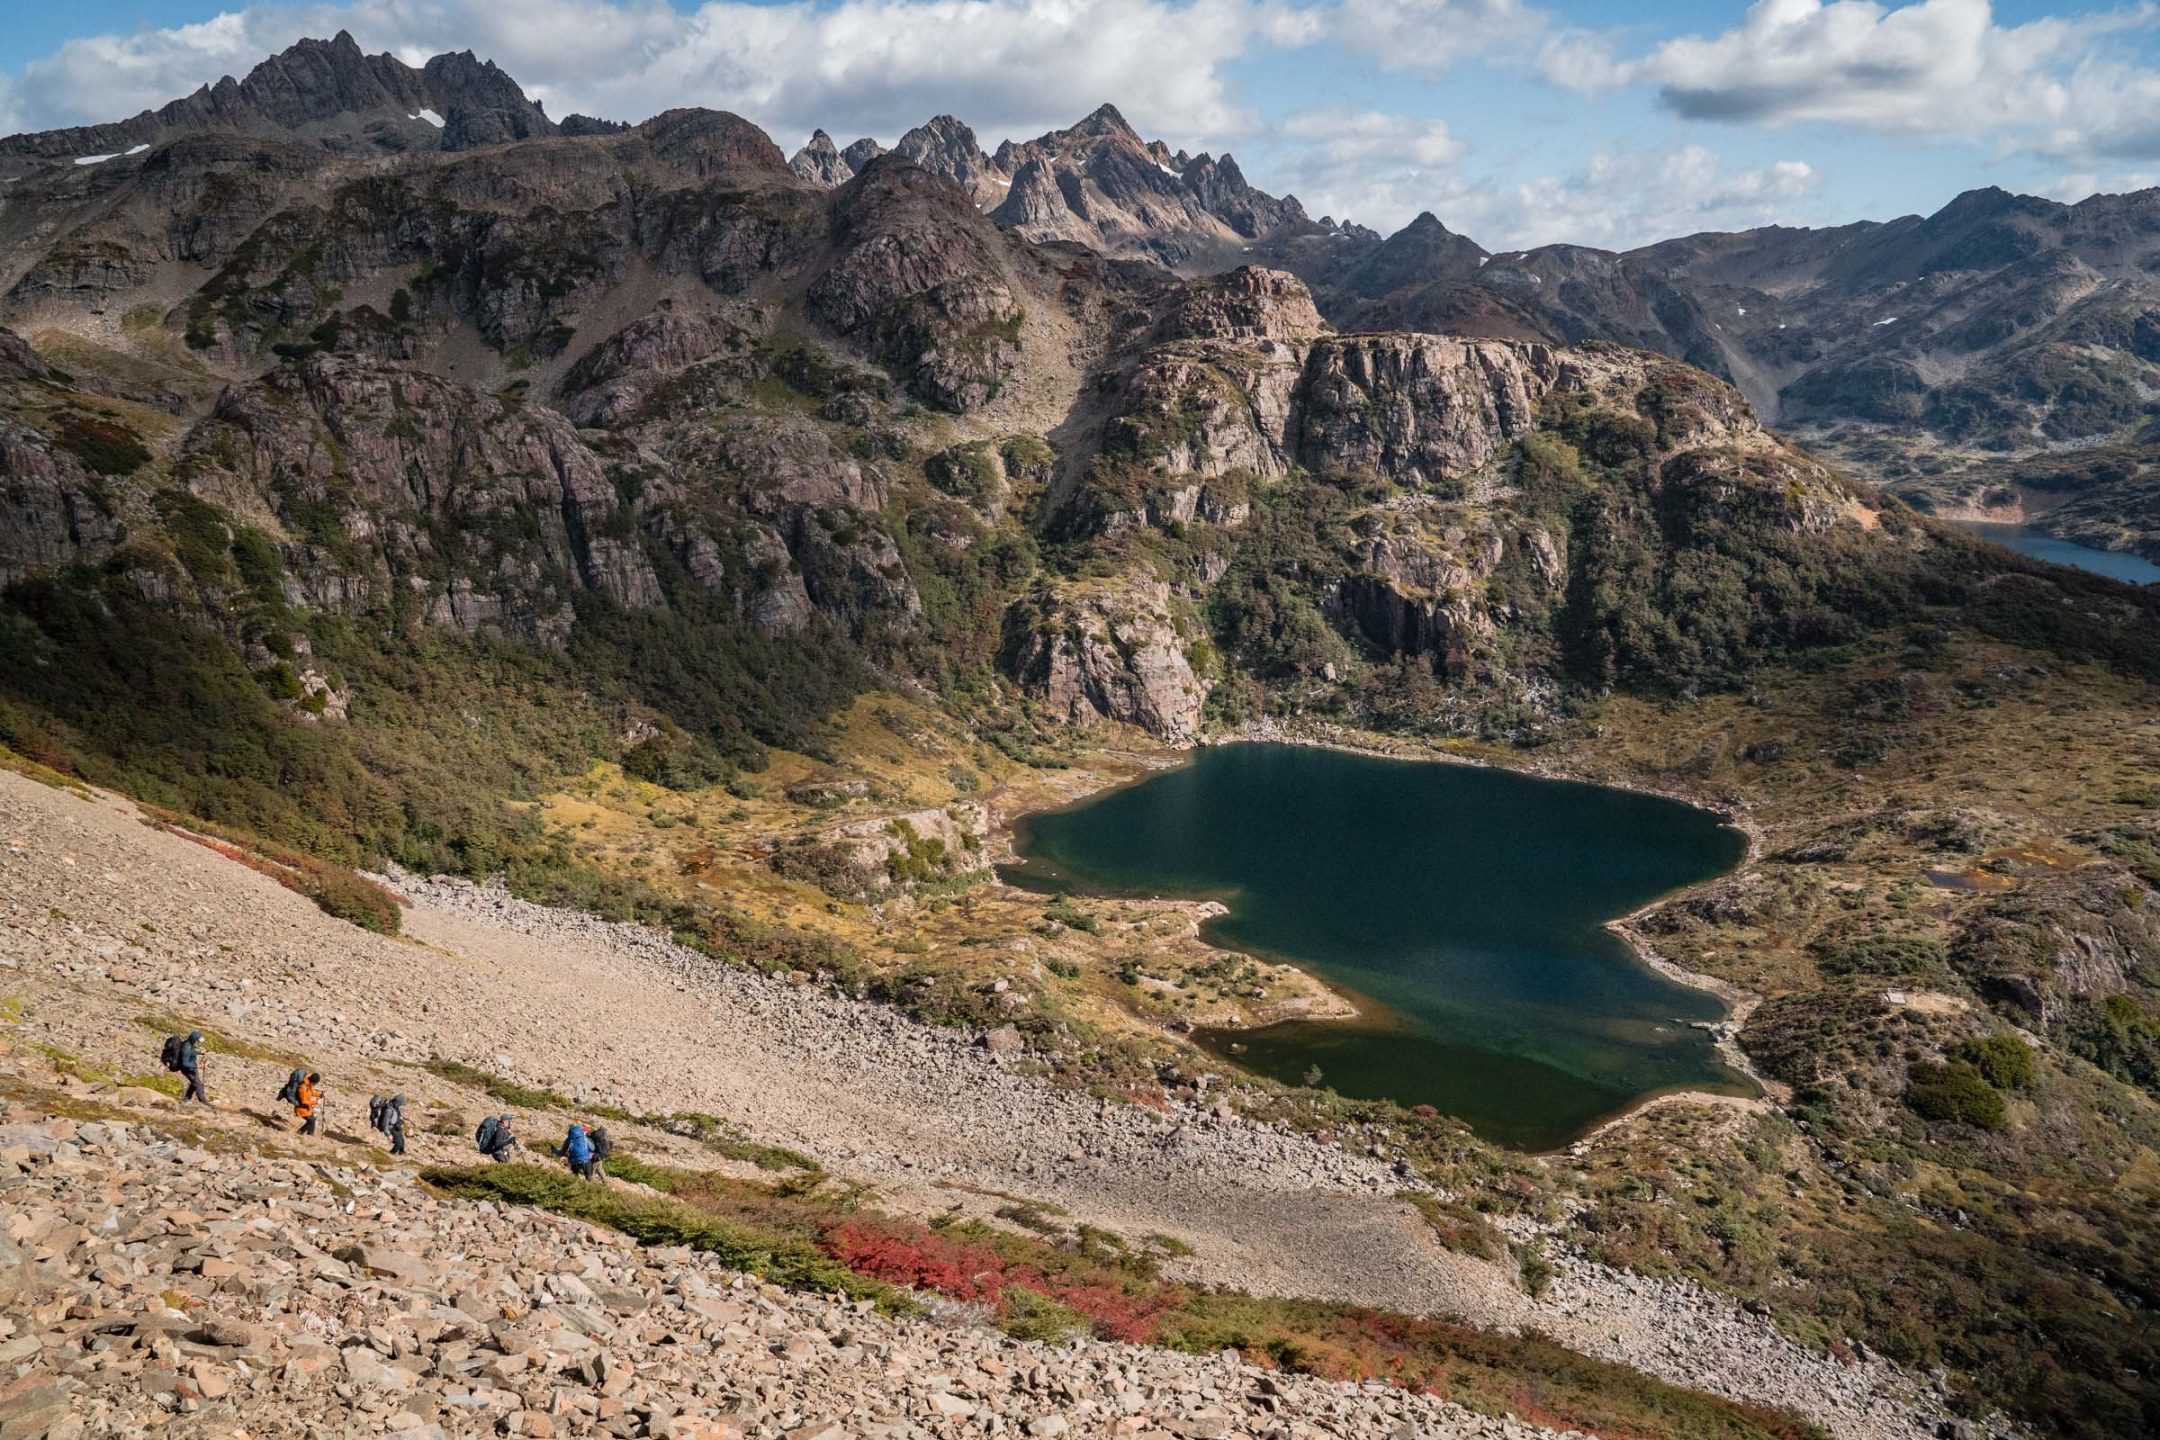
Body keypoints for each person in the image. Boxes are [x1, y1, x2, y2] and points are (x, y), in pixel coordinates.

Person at [161, 1031, 207, 1106]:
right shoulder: (186, 1047)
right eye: (198, 1041)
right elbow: (185, 1064)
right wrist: (198, 1066)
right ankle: (205, 1104)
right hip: (187, 1069)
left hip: (191, 1068)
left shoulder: (189, 1044)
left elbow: (191, 1051)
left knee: (195, 1083)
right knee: (198, 1084)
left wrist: (199, 1052)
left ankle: (186, 1099)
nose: (198, 1042)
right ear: (194, 1039)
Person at [294, 1071, 321, 1136]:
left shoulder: (308, 1084)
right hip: (301, 1108)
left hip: (306, 1107)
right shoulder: (303, 1087)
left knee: (312, 1119)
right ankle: (306, 1134)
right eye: (315, 1083)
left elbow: (313, 1092)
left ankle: (305, 1132)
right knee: (311, 1120)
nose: (315, 1085)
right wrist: (315, 1102)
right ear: (313, 1082)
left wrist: (320, 1094)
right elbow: (303, 1101)